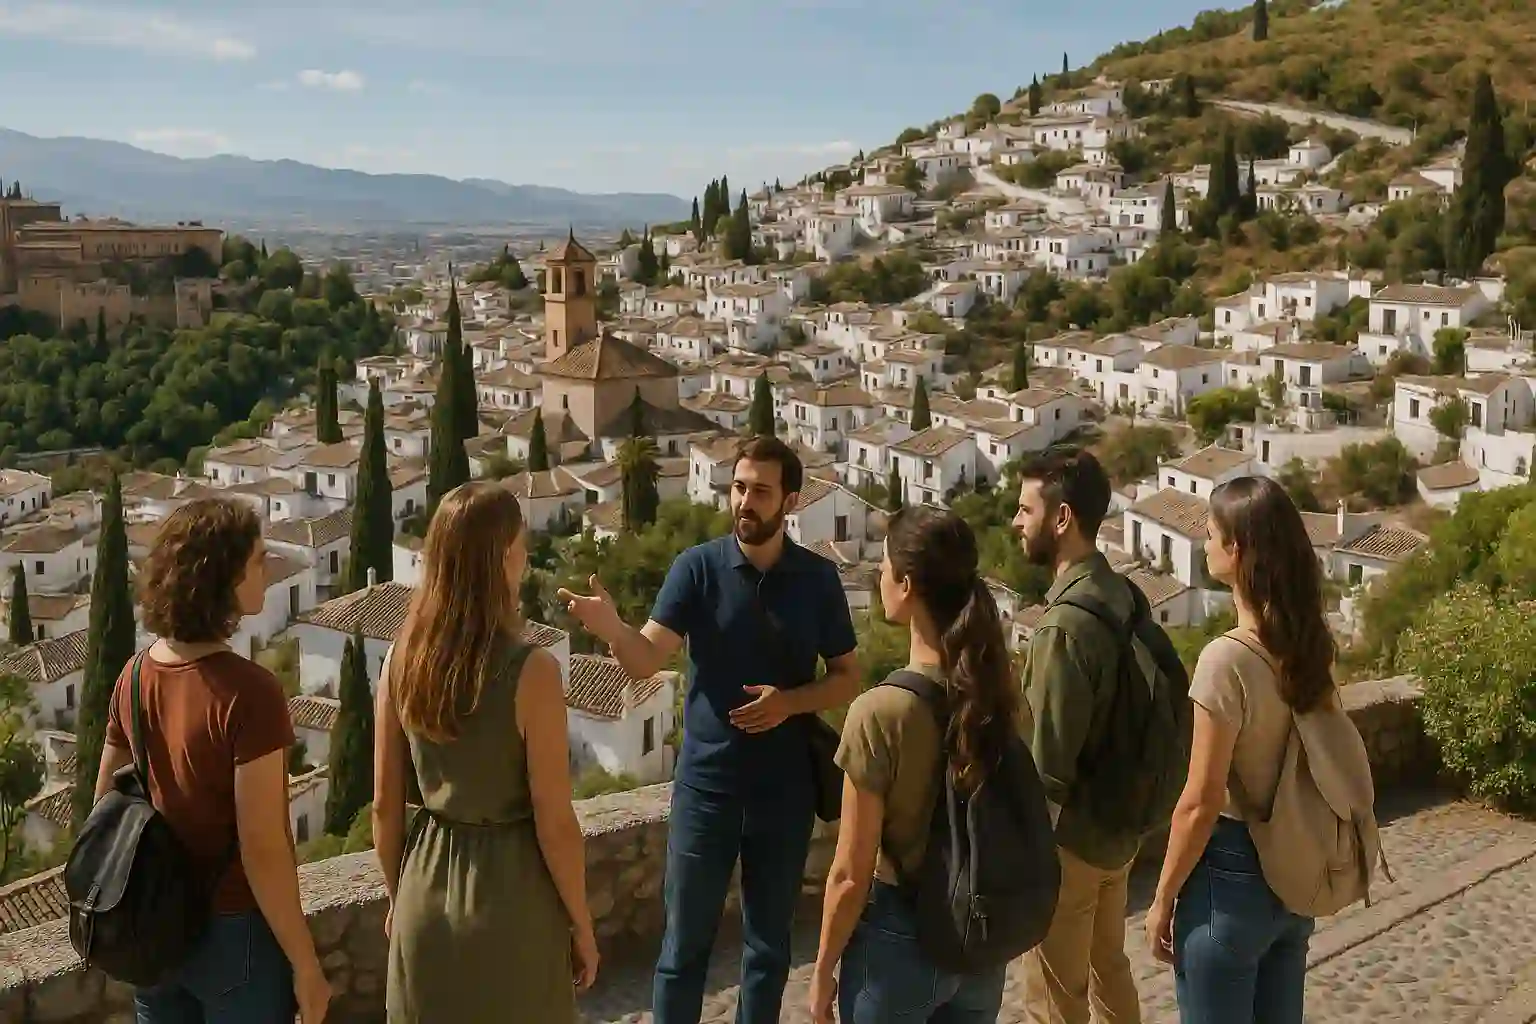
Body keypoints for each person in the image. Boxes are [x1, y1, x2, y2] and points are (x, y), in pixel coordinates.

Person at [559, 435, 861, 1024]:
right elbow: (646, 660)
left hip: (784, 794)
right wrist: (611, 628)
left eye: (761, 491)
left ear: (790, 502)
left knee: (769, 950)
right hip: (706, 792)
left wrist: (790, 703)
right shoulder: (695, 569)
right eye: (739, 487)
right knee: (681, 952)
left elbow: (849, 676)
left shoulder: (818, 580)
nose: (745, 501)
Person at [92, 498, 330, 1024]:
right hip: (233, 931)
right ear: (222, 576)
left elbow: (104, 804)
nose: (268, 569)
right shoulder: (251, 693)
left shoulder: (132, 678)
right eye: (258, 560)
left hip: (152, 930)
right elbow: (263, 847)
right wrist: (306, 965)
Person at [374, 481, 597, 1024]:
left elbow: (384, 806)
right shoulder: (532, 671)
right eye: (519, 543)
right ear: (502, 558)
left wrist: (396, 897)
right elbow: (554, 821)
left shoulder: (400, 660)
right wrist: (582, 925)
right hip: (512, 896)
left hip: (423, 892)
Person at [809, 506, 1017, 1024]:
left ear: (904, 585)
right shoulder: (1004, 694)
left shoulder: (880, 712)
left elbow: (850, 873)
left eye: (883, 567)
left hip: (899, 941)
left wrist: (822, 970)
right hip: (979, 938)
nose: (878, 575)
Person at [1145, 476, 1332, 1023]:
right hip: (1293, 875)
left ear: (1237, 550)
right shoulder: (1309, 646)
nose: (1204, 545)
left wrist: (1161, 901)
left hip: (1228, 881)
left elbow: (1200, 802)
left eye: (1210, 535)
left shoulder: (1224, 662)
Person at [1011, 448, 1142, 1024]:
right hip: (1120, 829)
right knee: (1108, 969)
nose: (1016, 521)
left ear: (1061, 518)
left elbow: (1047, 764)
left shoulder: (1062, 627)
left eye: (1025, 509)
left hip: (1072, 846)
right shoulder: (1123, 594)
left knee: (1056, 999)